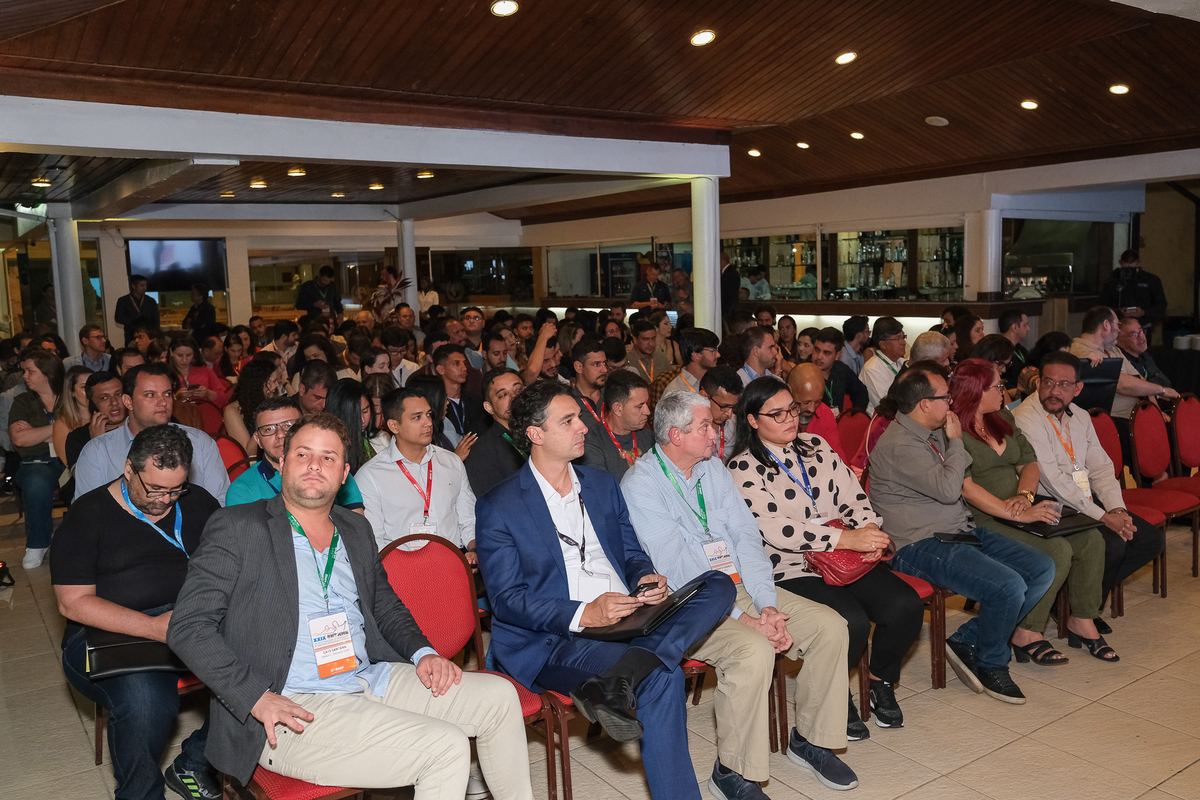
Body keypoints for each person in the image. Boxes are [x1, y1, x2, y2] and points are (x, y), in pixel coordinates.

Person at [168, 413, 533, 797]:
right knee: (445, 746)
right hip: (290, 704)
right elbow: (188, 626)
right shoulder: (239, 526)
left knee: (498, 698)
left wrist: (424, 653)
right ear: (280, 463)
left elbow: (385, 605)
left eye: (328, 458)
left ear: (344, 474)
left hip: (365, 678)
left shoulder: (355, 528)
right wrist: (255, 696)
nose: (314, 465)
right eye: (303, 454)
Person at [475, 380, 736, 800]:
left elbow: (631, 553)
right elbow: (508, 601)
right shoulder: (499, 505)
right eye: (569, 420)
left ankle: (618, 676)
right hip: (558, 638)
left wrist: (645, 579)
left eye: (580, 417)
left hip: (629, 616)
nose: (583, 427)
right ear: (535, 434)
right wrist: (584, 613)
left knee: (718, 583)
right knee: (663, 676)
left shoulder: (599, 485)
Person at [622, 391, 859, 793]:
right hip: (686, 604)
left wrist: (767, 605)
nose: (716, 433)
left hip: (741, 587)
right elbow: (677, 564)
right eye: (705, 426)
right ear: (676, 436)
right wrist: (742, 618)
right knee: (753, 649)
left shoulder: (712, 469)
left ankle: (811, 741)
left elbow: (747, 538)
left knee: (830, 626)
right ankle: (732, 771)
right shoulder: (641, 484)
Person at [728, 377, 922, 739]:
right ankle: (836, 694)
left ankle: (880, 680)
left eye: (793, 409)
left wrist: (869, 530)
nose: (790, 418)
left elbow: (853, 496)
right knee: (851, 621)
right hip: (791, 565)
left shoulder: (815, 445)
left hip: (846, 556)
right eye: (777, 413)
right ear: (752, 420)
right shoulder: (743, 467)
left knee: (905, 606)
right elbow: (775, 528)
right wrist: (846, 536)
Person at [867, 365, 1055, 704]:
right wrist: (956, 441)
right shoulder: (898, 445)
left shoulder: (935, 429)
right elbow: (948, 487)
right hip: (918, 543)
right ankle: (993, 662)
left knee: (1041, 567)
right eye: (945, 397)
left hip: (958, 530)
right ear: (924, 404)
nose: (952, 402)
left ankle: (968, 637)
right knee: (1007, 586)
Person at [52, 425, 222, 800]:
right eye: (155, 489)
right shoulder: (89, 515)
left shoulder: (199, 504)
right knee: (147, 701)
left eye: (176, 489)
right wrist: (154, 627)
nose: (165, 500)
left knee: (272, 658)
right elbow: (73, 602)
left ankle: (195, 761)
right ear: (129, 469)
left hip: (189, 620)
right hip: (107, 632)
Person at [950, 358, 1113, 664]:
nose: (1004, 390)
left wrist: (1025, 497)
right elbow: (965, 488)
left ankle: (1083, 619)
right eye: (997, 385)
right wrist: (1015, 511)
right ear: (975, 390)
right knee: (1058, 550)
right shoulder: (953, 430)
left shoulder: (1001, 417)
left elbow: (1029, 463)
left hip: (1021, 505)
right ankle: (1027, 631)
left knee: (1090, 539)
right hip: (983, 516)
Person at [1013, 352, 1167, 631]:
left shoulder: (1081, 416)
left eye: (1063, 385)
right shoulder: (1026, 417)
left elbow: (1101, 468)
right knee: (1112, 542)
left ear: (1078, 388)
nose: (1054, 391)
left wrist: (1117, 509)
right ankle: (1082, 610)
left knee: (1148, 540)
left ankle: (1082, 603)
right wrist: (1102, 516)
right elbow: (1051, 479)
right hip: (1047, 501)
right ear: (1038, 384)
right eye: (1048, 383)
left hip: (1081, 499)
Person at [75, 363, 230, 504]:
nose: (163, 402)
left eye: (167, 394)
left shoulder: (200, 443)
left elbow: (220, 503)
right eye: (150, 395)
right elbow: (87, 515)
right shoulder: (97, 452)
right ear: (128, 401)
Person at [358, 387, 477, 556]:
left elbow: (468, 519)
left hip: (453, 564)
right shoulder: (371, 475)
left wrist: (474, 549)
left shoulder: (451, 462)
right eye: (417, 417)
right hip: (404, 572)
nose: (428, 422)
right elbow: (375, 540)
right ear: (394, 426)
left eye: (428, 414)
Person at [227, 395, 366, 512]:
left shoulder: (331, 471)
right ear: (258, 440)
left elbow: (357, 529)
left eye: (288, 425)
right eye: (268, 429)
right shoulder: (242, 490)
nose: (280, 435)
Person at [1070, 306, 1178, 425]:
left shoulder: (1113, 350)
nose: (1118, 330)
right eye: (1117, 324)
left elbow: (1141, 381)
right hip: (1113, 422)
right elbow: (1121, 384)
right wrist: (1161, 390)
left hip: (1137, 416)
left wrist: (1157, 412)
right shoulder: (1082, 352)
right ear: (1106, 325)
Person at [10, 348, 65, 568]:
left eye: (30, 371)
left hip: (71, 456)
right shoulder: (23, 401)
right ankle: (37, 544)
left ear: (47, 372)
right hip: (38, 462)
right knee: (36, 482)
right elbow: (20, 439)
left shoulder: (69, 397)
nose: (25, 376)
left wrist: (38, 432)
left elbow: (81, 428)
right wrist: (59, 428)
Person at [464, 368, 527, 496]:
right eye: (503, 395)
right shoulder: (484, 451)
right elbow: (495, 504)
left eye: (518, 390)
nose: (514, 397)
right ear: (489, 407)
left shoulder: (543, 431)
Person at [579, 370, 652, 480]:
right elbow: (604, 491)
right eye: (639, 406)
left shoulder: (650, 437)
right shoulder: (592, 444)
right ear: (617, 409)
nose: (648, 411)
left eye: (647, 404)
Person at [787, 362, 849, 463]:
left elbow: (837, 457)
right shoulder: (777, 417)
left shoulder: (824, 413)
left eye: (817, 402)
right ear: (790, 391)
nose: (811, 409)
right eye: (806, 402)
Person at [65, 370, 127, 470]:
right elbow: (84, 480)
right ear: (92, 404)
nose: (114, 402)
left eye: (118, 394)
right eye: (104, 398)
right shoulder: (78, 438)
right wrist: (97, 443)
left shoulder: (141, 428)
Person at [168, 335, 229, 435]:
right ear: (171, 352)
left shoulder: (205, 370)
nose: (184, 360)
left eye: (189, 355)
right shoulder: (165, 372)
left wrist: (208, 394)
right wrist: (176, 398)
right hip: (176, 423)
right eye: (179, 355)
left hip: (207, 420)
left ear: (194, 353)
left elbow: (224, 398)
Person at [1099, 249, 1167, 332]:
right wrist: (1118, 312)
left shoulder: (1151, 280)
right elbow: (1102, 305)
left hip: (1143, 326)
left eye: (1132, 269)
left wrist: (1144, 312)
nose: (1129, 272)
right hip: (1118, 327)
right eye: (1125, 269)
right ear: (1120, 262)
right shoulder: (1113, 281)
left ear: (1138, 263)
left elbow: (1161, 304)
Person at [434, 344, 484, 449]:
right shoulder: (436, 406)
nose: (464, 368)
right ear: (441, 370)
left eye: (464, 363)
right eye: (456, 364)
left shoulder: (476, 401)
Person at [325, 378, 378, 473]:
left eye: (365, 411)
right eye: (355, 415)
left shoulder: (378, 438)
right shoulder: (329, 448)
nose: (362, 420)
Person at [811, 327, 868, 413]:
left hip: (836, 423)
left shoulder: (841, 369)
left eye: (826, 353)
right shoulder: (803, 371)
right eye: (817, 350)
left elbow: (861, 392)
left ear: (838, 355)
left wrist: (853, 415)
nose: (819, 356)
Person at [859, 317, 906, 414]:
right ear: (883, 344)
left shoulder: (903, 362)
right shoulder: (872, 369)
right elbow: (886, 406)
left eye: (903, 337)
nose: (903, 342)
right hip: (883, 422)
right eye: (897, 338)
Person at [699, 365, 743, 462]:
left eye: (733, 407)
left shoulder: (734, 424)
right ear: (704, 396)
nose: (729, 414)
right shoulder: (687, 430)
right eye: (724, 406)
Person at [53, 365, 93, 470]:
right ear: (72, 392)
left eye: (93, 385)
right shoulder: (63, 425)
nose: (90, 391)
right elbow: (72, 466)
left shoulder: (107, 417)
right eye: (84, 387)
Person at [1116, 316, 1171, 389]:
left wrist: (1148, 384)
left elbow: (1166, 382)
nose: (1141, 336)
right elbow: (1139, 389)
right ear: (1120, 342)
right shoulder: (1122, 363)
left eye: (1141, 331)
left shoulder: (1144, 355)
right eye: (1134, 335)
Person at [663, 327, 720, 396]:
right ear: (696, 355)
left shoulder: (716, 381)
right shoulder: (676, 391)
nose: (718, 355)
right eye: (713, 351)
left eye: (716, 349)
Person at [570, 337, 609, 432]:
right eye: (596, 364)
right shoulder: (568, 401)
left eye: (604, 363)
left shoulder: (612, 393)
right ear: (579, 367)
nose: (604, 370)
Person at [114, 274, 161, 347]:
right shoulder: (123, 300)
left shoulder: (151, 301)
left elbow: (156, 321)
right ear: (133, 286)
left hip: (148, 336)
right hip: (130, 335)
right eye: (142, 286)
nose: (144, 288)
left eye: (145, 285)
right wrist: (134, 322)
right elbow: (118, 318)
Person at [627, 319, 673, 384]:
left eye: (653, 339)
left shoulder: (663, 360)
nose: (651, 344)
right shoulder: (627, 361)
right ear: (635, 340)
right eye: (645, 339)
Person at [998, 309, 1031, 391]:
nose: (1028, 328)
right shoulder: (999, 351)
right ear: (1015, 327)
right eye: (1025, 325)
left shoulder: (1021, 349)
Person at [720, 252, 741, 319]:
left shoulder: (730, 273)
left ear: (721, 261)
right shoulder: (730, 272)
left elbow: (729, 294)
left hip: (728, 309)